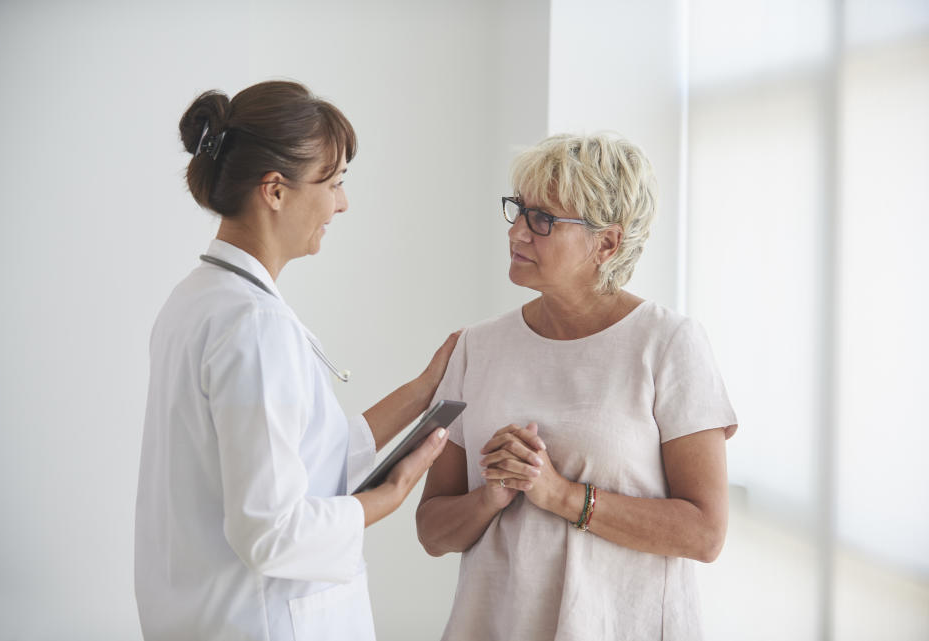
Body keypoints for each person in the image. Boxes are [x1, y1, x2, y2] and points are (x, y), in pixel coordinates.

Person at [135, 80, 458, 641]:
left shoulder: (197, 299)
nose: (342, 203)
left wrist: (424, 390)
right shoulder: (255, 326)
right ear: (275, 191)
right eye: (332, 183)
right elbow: (271, 530)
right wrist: (387, 498)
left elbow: (304, 455)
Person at [416, 133, 738, 641]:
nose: (517, 233)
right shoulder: (476, 347)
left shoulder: (670, 344)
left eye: (542, 219)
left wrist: (562, 495)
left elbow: (705, 533)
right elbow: (432, 531)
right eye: (518, 210)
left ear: (606, 243)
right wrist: (492, 497)